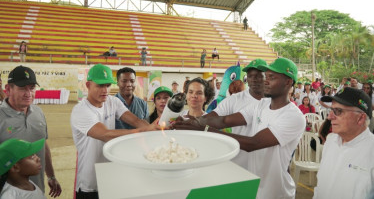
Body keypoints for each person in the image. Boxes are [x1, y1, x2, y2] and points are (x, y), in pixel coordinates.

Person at [173, 58, 306, 199]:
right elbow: (224, 120)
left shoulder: (293, 116)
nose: (265, 81)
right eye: (266, 76)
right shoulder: (262, 105)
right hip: (254, 186)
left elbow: (254, 143)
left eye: (271, 77)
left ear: (288, 82)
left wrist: (203, 128)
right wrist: (191, 121)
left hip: (275, 192)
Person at [70, 64, 159, 198]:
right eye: (100, 85)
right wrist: (146, 130)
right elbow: (106, 135)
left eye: (107, 85)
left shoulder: (113, 101)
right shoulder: (81, 110)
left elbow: (135, 121)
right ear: (88, 85)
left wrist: (155, 130)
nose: (105, 90)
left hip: (109, 175)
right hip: (90, 182)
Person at [0, 66, 61, 196]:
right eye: (22, 88)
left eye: (32, 88)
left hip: (36, 189)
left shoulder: (38, 112)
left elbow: (43, 145)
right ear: (8, 89)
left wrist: (51, 176)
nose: (28, 93)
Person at [313, 87, 374, 199]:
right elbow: (320, 186)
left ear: (360, 118)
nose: (329, 117)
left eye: (338, 111)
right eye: (331, 110)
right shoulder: (330, 141)